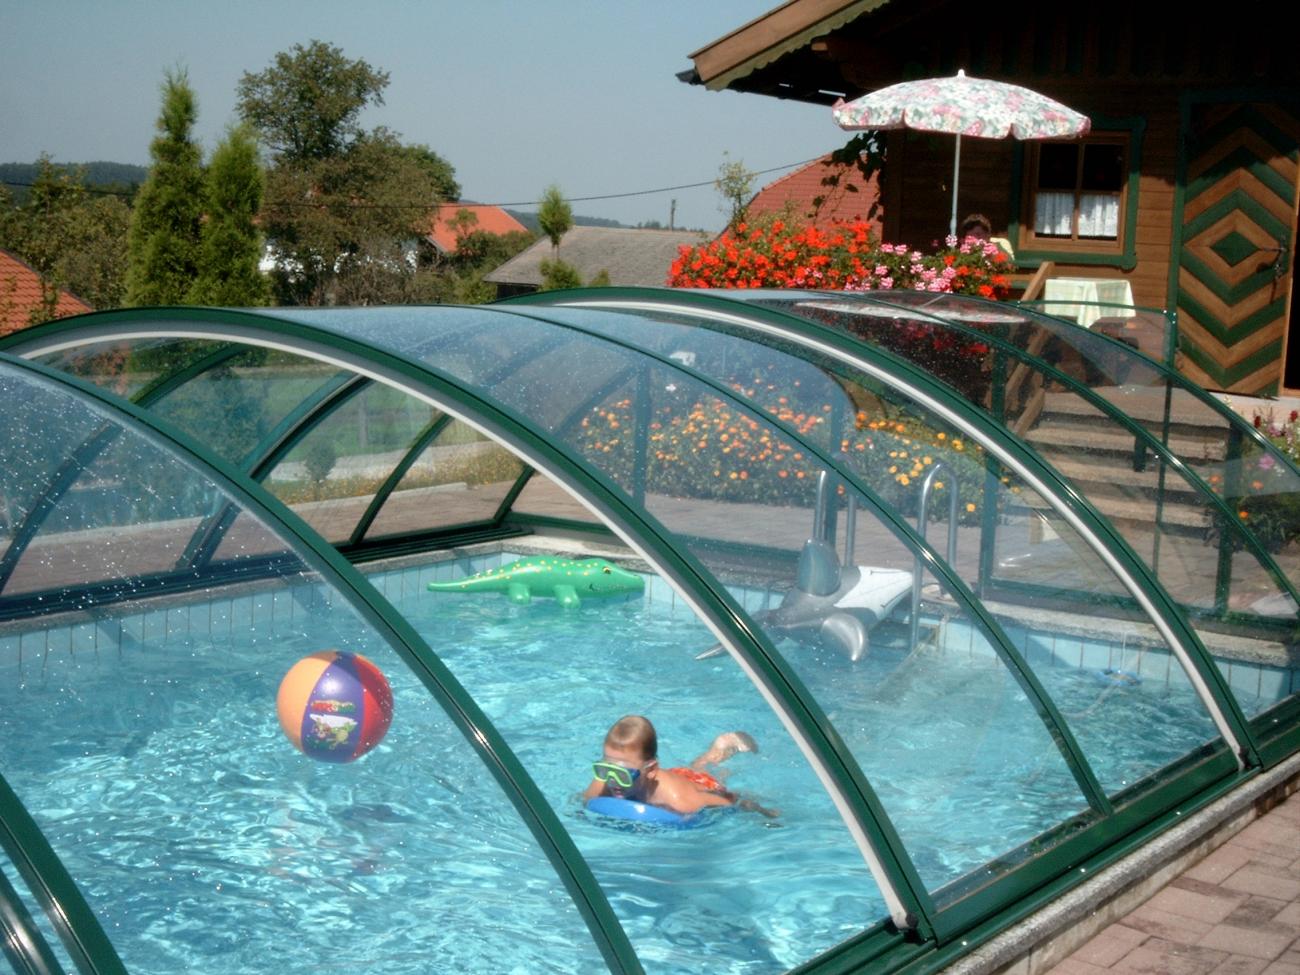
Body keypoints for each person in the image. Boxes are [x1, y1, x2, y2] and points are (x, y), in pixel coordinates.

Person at [584, 714, 776, 818]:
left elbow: (731, 801)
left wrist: (764, 812)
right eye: (606, 769)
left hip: (698, 784)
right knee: (696, 767)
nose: (612, 781)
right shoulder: (604, 781)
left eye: (623, 774)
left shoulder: (681, 801)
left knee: (710, 773)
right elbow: (580, 804)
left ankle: (723, 747)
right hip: (673, 776)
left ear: (650, 770)